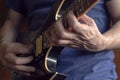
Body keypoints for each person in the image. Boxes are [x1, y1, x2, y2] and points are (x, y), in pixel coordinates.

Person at [0, 0, 119, 80]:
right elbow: (12, 21)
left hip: (93, 74)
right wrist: (3, 48)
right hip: (34, 73)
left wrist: (102, 42)